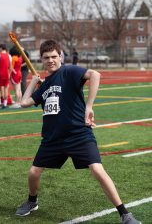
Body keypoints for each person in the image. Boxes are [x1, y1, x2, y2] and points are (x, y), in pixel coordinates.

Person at [15, 40, 141, 224]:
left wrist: (88, 107)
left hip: (78, 134)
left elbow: (95, 75)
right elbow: (24, 102)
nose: (50, 60)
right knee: (33, 173)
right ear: (41, 59)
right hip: (53, 139)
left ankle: (125, 214)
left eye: (54, 56)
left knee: (97, 169)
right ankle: (32, 201)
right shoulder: (45, 85)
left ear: (60, 57)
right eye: (46, 57)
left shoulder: (69, 71)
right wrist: (34, 81)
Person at [0, 43, 12, 108]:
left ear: (1, 48)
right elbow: (10, 67)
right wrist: (9, 74)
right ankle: (5, 104)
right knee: (6, 89)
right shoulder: (9, 55)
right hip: (7, 74)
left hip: (0, 74)